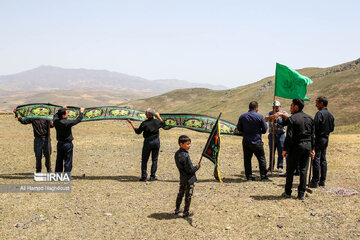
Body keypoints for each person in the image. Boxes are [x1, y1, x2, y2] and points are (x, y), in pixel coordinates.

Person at [281, 99, 315, 200]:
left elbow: (289, 136)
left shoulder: (293, 119)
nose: (290, 108)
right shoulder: (310, 118)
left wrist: (285, 149)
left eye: (291, 106)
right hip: (307, 146)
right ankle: (301, 194)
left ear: (296, 107)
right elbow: (313, 135)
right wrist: (312, 149)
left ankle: (288, 192)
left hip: (296, 146)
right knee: (304, 170)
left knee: (291, 169)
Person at [127, 108, 165, 181]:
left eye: (146, 113)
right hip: (156, 141)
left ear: (149, 115)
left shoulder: (144, 123)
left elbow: (138, 132)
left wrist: (131, 123)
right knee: (154, 159)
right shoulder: (157, 122)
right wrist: (158, 116)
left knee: (144, 160)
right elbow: (163, 124)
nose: (145, 114)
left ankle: (144, 177)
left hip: (148, 142)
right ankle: (152, 176)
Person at [13, 108, 54, 173]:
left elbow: (52, 125)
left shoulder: (47, 118)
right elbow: (23, 121)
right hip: (38, 139)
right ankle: (38, 171)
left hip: (47, 139)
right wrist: (16, 113)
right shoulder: (33, 118)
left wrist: (52, 121)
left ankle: (49, 170)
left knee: (48, 155)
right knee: (38, 156)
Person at [237, 101, 269, 181]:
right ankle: (263, 176)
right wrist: (258, 132)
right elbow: (265, 130)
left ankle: (249, 177)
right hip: (257, 141)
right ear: (256, 108)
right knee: (261, 158)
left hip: (246, 141)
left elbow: (239, 128)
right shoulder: (260, 116)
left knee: (247, 159)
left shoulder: (242, 116)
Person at [310, 96, 335, 188]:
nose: (316, 105)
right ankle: (322, 180)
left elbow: (314, 127)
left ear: (321, 103)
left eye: (317, 103)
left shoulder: (319, 114)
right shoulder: (330, 115)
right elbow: (332, 128)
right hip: (326, 138)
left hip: (318, 138)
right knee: (323, 159)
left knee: (316, 158)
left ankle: (315, 180)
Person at [174, 135, 200, 218]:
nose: (189, 146)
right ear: (181, 144)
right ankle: (186, 211)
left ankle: (177, 209)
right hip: (189, 179)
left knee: (180, 193)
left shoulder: (177, 154)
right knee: (188, 195)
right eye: (187, 144)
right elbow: (190, 170)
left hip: (182, 178)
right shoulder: (185, 156)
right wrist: (197, 167)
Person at [53, 106, 84, 173]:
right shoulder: (67, 123)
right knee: (68, 160)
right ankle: (66, 175)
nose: (68, 115)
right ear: (63, 115)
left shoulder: (55, 121)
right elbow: (78, 120)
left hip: (59, 143)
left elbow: (55, 115)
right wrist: (81, 112)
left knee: (59, 159)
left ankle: (58, 174)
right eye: (67, 113)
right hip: (67, 144)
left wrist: (62, 108)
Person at [265, 100, 289, 173]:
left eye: (277, 107)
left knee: (281, 151)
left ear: (280, 107)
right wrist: (272, 116)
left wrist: (280, 114)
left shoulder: (283, 113)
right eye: (274, 107)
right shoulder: (269, 113)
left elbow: (289, 117)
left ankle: (280, 166)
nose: (276, 108)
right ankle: (271, 166)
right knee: (272, 151)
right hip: (272, 135)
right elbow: (265, 119)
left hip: (281, 135)